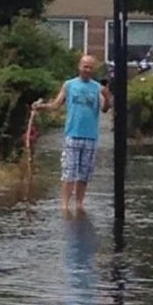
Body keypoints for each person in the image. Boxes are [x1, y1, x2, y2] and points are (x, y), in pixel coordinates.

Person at [34, 54, 111, 212]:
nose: (87, 70)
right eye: (85, 66)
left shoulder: (97, 88)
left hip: (90, 136)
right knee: (69, 172)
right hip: (72, 135)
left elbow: (104, 109)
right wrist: (40, 107)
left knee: (84, 174)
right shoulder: (69, 85)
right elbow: (55, 105)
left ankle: (79, 204)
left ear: (93, 69)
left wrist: (107, 97)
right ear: (79, 66)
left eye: (90, 67)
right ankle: (65, 205)